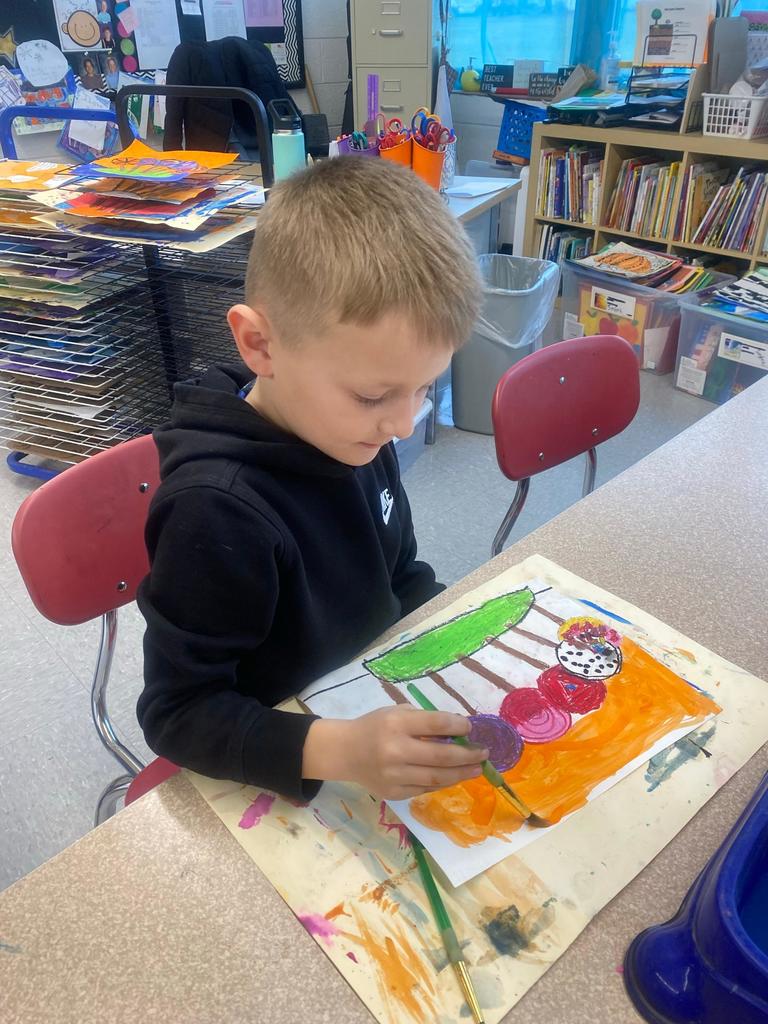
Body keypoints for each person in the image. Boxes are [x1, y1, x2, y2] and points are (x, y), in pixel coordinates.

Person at [137, 158, 486, 803]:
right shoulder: (215, 511)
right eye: (375, 394)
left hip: (364, 692)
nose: (405, 425)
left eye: (423, 389)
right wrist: (338, 749)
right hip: (274, 762)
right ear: (260, 345)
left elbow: (400, 575)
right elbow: (177, 713)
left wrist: (448, 646)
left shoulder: (357, 432)